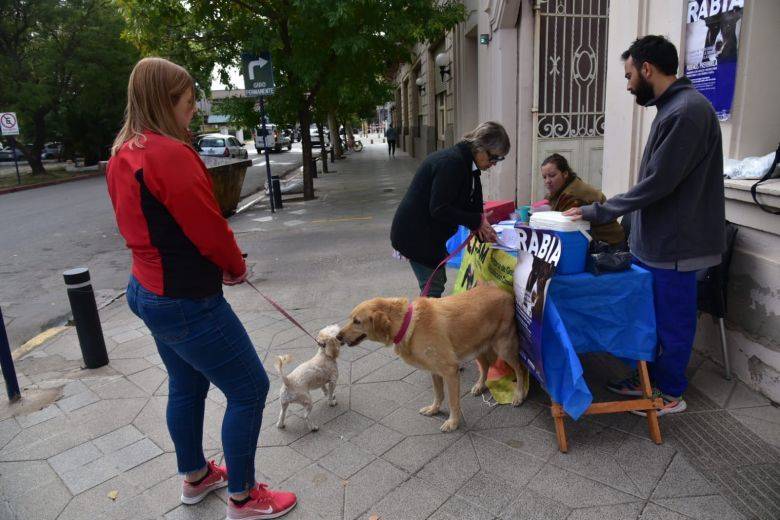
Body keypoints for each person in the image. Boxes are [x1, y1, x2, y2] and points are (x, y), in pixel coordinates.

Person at [106, 57, 297, 519]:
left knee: (186, 385)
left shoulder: (122, 153)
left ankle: (194, 477)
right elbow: (209, 228)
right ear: (165, 102)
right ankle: (244, 497)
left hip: (146, 289)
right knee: (250, 388)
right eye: (188, 104)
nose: (193, 113)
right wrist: (234, 267)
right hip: (185, 299)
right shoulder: (169, 153)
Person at [565, 35, 726, 416]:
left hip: (678, 244)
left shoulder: (686, 111)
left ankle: (670, 391)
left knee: (672, 319)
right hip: (659, 241)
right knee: (650, 317)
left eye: (629, 74)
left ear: (647, 69)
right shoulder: (672, 107)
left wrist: (598, 211)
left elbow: (658, 183)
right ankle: (648, 378)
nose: (628, 83)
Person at [391, 121, 509, 297]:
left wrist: (480, 221)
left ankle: (426, 318)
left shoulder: (468, 164)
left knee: (436, 283)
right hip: (415, 235)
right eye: (494, 157)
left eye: (499, 159)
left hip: (426, 233)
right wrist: (476, 220)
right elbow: (439, 208)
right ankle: (425, 322)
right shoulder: (452, 163)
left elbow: (470, 199)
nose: (494, 163)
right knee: (433, 286)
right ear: (480, 147)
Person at [541, 153, 625, 247]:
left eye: (552, 175)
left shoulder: (573, 195)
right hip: (593, 240)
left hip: (608, 245)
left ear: (565, 174)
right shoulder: (562, 188)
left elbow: (564, 227)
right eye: (544, 177)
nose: (547, 181)